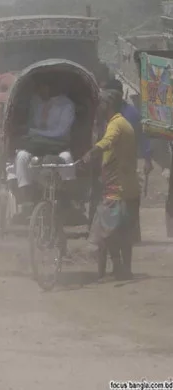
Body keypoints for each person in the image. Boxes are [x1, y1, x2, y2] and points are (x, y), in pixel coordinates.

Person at [81, 90, 140, 280]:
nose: (98, 108)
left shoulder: (115, 125)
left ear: (108, 105)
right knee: (125, 231)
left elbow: (108, 141)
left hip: (117, 189)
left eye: (101, 104)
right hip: (128, 186)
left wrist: (93, 151)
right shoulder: (124, 123)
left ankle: (118, 267)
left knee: (108, 230)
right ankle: (124, 269)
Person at [14, 77, 76, 207]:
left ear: (52, 88)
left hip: (58, 145)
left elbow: (61, 131)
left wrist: (35, 133)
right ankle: (26, 200)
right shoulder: (37, 103)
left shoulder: (67, 105)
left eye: (43, 87)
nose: (40, 90)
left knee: (67, 159)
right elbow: (32, 124)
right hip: (38, 146)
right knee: (21, 157)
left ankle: (67, 199)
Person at [104, 79, 151, 242]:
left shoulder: (131, 114)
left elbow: (143, 136)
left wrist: (147, 159)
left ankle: (131, 235)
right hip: (110, 164)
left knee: (130, 199)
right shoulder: (104, 112)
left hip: (128, 164)